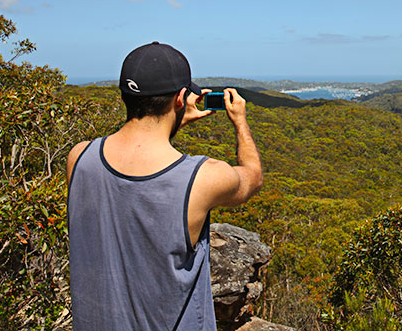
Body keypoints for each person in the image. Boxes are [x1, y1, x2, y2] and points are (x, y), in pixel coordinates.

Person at [65, 42, 263, 331]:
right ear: (181, 98)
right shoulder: (200, 178)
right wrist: (240, 123)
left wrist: (173, 120)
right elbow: (253, 177)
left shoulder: (80, 157)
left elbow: (131, 176)